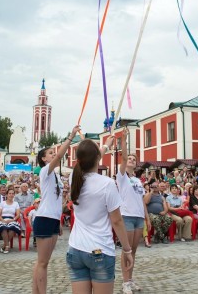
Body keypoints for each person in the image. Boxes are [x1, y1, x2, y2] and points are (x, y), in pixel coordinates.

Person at [66, 138, 133, 294]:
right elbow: (116, 220)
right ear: (97, 158)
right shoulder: (107, 183)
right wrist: (127, 250)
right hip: (99, 250)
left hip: (76, 248)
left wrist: (105, 146)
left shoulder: (74, 179)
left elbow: (90, 160)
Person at [32, 125, 80, 294]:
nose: (54, 154)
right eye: (50, 153)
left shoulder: (55, 175)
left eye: (53, 152)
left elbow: (56, 200)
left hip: (52, 219)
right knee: (42, 262)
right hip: (44, 218)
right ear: (44, 159)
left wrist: (59, 220)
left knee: (43, 262)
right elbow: (60, 155)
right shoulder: (45, 171)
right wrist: (71, 136)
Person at [0, 187, 21, 253]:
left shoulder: (16, 203)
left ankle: (5, 245)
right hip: (2, 219)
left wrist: (13, 219)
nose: (11, 195)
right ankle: (7, 246)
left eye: (13, 193)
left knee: (12, 227)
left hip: (12, 219)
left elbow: (18, 214)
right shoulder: (2, 203)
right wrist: (3, 220)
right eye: (10, 193)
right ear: (7, 195)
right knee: (3, 227)